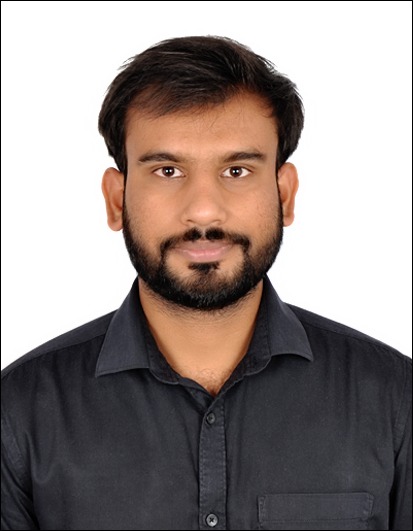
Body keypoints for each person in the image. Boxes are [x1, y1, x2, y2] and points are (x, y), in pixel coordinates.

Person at [1, 35, 411, 531]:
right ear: (116, 200)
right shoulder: (18, 411)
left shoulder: (395, 399)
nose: (202, 212)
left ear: (284, 195)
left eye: (236, 170)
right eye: (167, 170)